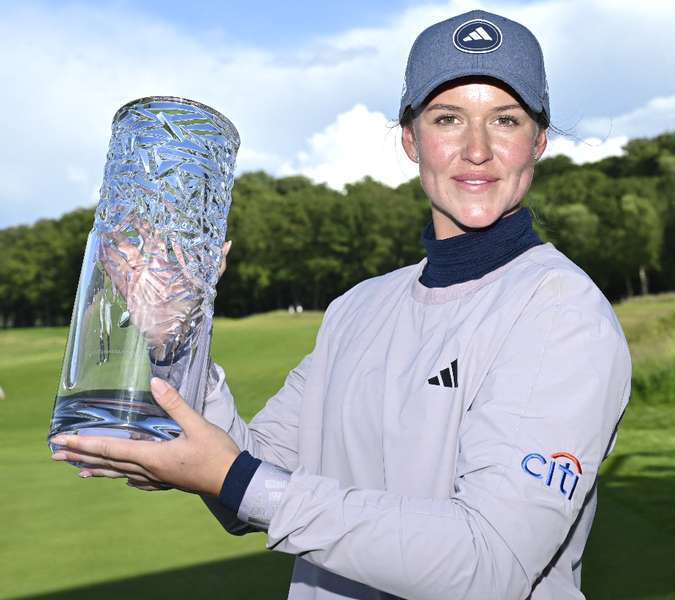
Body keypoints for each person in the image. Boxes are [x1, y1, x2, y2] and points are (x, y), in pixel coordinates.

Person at [49, 9, 632, 600]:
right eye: (448, 119)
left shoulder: (562, 313)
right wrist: (177, 336)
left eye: (504, 120)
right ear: (411, 138)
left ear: (538, 141)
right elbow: (255, 474)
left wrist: (235, 478)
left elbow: (488, 564)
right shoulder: (359, 308)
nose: (476, 149)